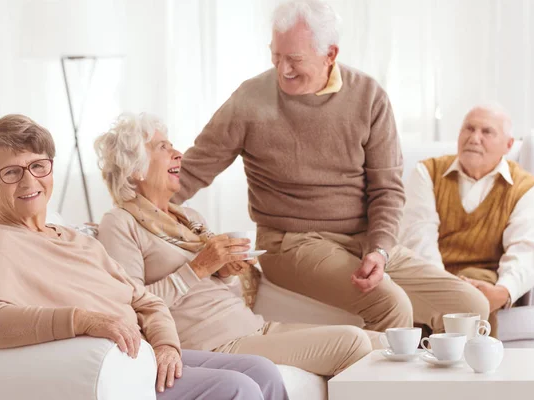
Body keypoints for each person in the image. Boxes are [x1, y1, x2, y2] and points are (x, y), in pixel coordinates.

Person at [170, 0, 490, 334]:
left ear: (331, 54)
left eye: (294, 59)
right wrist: (134, 207)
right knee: (391, 303)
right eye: (276, 56)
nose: (283, 70)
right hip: (290, 243)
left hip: (363, 238)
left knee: (471, 306)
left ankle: (438, 384)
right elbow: (191, 171)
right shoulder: (250, 100)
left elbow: (387, 190)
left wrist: (380, 249)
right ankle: (382, 387)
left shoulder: (368, 96)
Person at [0, 114, 288, 400]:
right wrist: (82, 320)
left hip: (145, 355)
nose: (30, 180)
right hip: (114, 369)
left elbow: (146, 302)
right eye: (11, 172)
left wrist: (167, 344)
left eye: (38, 166)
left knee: (262, 369)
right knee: (235, 388)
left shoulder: (77, 241)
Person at [95, 112, 372, 377]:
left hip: (255, 328)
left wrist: (226, 273)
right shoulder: (120, 223)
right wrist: (199, 268)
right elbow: (131, 307)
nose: (178, 153)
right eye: (163, 147)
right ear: (135, 169)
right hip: (215, 345)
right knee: (352, 342)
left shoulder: (189, 218)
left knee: (381, 343)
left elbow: (226, 293)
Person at [400, 105, 534, 337]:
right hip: (430, 277)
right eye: (468, 128)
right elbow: (419, 239)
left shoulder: (528, 189)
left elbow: (525, 253)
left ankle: (454, 364)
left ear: (509, 145)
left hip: (487, 283)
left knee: (475, 289)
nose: (474, 138)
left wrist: (502, 291)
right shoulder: (426, 172)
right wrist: (445, 290)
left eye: (487, 132)